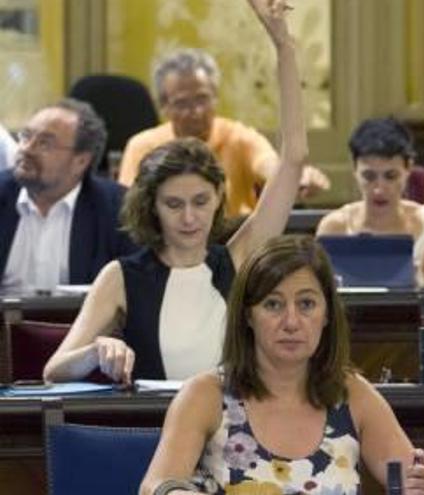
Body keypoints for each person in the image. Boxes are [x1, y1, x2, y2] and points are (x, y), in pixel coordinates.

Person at [43, 0, 309, 384]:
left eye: (200, 202)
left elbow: (294, 157)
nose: (189, 218)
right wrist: (95, 352)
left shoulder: (236, 258)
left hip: (233, 432)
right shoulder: (120, 276)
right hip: (153, 430)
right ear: (152, 207)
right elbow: (54, 371)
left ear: (219, 197)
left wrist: (284, 47)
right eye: (174, 204)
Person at [139, 232, 424, 495]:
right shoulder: (206, 395)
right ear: (248, 315)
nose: (291, 322)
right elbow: (155, 486)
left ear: (327, 314)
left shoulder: (352, 393)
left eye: (306, 304)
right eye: (273, 304)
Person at [116, 44, 329, 216]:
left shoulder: (238, 138)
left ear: (215, 96)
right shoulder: (143, 146)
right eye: (182, 103)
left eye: (202, 99)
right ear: (164, 107)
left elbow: (268, 165)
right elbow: (128, 207)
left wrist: (295, 177)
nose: (196, 111)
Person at [0, 99, 135, 292]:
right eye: (25, 136)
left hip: (81, 321)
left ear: (80, 161)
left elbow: (134, 292)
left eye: (44, 144)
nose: (26, 149)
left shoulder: (119, 210)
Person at [316, 117, 424, 286]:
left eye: (391, 176)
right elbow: (322, 299)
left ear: (408, 168)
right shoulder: (333, 227)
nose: (379, 189)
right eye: (369, 177)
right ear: (354, 170)